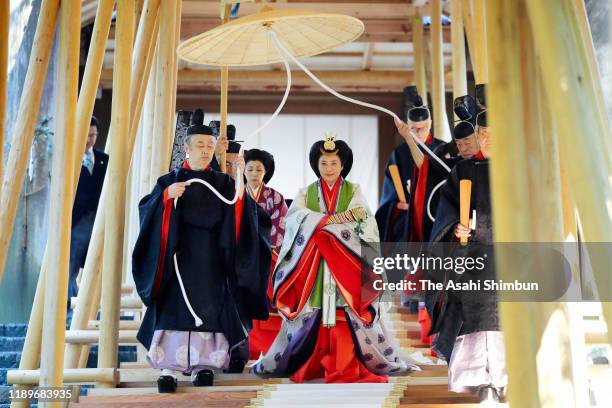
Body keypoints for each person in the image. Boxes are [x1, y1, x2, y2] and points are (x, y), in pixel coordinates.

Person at [253, 135, 410, 383]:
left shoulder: (353, 190)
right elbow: (294, 220)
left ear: (343, 165)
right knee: (312, 314)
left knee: (346, 315)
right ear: (316, 164)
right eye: (324, 163)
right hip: (314, 264)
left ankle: (345, 363)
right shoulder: (306, 193)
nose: (329, 169)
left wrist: (321, 225)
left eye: (334, 163)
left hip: (346, 263)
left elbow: (364, 221)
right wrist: (332, 221)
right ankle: (310, 363)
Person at [132, 115, 272, 393]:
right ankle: (169, 369)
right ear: (187, 148)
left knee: (210, 311)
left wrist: (241, 186)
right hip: (178, 257)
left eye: (209, 145)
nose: (205, 150)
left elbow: (241, 214)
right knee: (174, 311)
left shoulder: (223, 182)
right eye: (199, 145)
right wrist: (166, 198)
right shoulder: (169, 181)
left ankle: (205, 366)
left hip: (211, 258)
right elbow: (147, 212)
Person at [428, 85, 507, 403]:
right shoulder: (462, 170)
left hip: (510, 256)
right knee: (475, 318)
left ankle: (509, 377)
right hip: (472, 257)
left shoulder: (516, 170)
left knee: (509, 317)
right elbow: (444, 214)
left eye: (492, 133)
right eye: (482, 133)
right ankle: (481, 381)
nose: (486, 139)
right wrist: (453, 227)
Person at [244, 148, 289, 359]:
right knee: (244, 303)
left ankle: (271, 352)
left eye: (258, 169)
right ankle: (247, 350)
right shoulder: (236, 194)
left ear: (266, 171)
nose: (254, 173)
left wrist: (264, 246)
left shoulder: (276, 198)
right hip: (242, 259)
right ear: (243, 170)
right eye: (250, 168)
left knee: (268, 303)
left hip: (267, 257)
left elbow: (282, 226)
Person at [68, 116, 108, 312]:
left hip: (99, 219)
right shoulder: (71, 159)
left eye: (94, 135)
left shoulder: (103, 159)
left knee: (97, 265)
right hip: (76, 220)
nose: (90, 139)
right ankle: (72, 306)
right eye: (87, 134)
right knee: (71, 264)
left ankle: (88, 307)